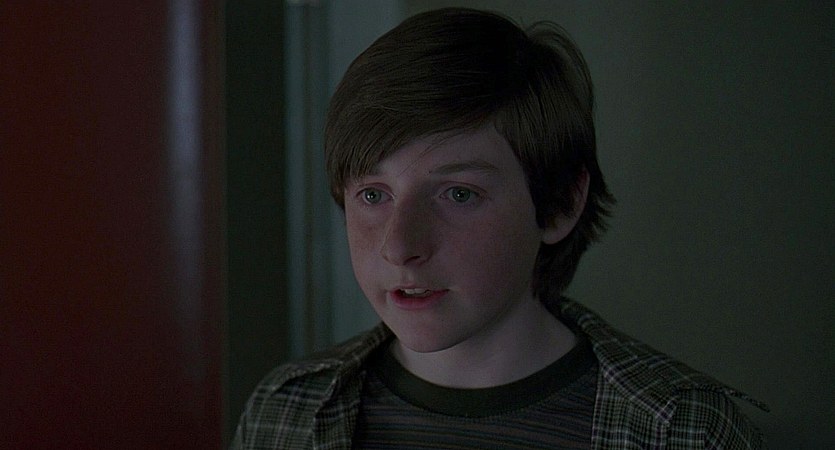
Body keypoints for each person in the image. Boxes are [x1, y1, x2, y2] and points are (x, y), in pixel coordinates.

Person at [232, 7, 767, 449]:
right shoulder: (286, 415)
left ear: (559, 205)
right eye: (374, 195)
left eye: (459, 194)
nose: (400, 246)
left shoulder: (682, 432)